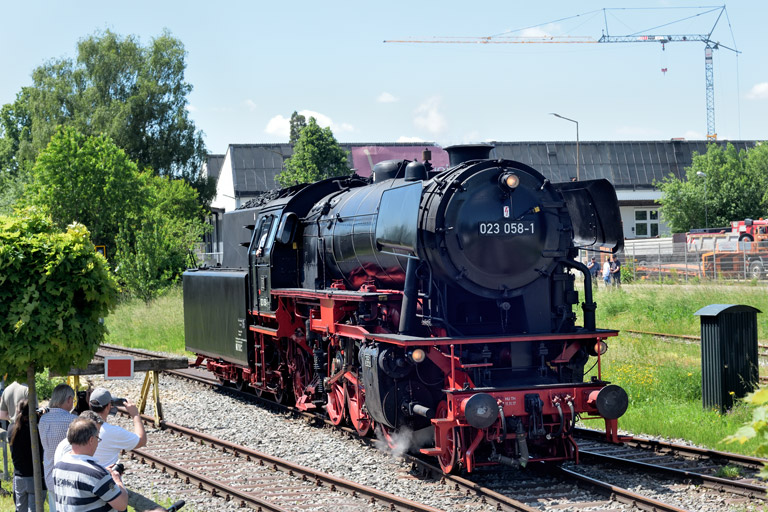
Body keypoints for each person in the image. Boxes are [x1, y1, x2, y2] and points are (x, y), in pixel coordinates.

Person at [53, 417, 127, 512]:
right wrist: (117, 480)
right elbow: (122, 505)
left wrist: (104, 477)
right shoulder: (96, 474)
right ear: (91, 440)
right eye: (98, 438)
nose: (97, 443)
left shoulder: (59, 466)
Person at [39, 383, 77, 511]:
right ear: (69, 399)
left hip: (49, 472)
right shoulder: (73, 420)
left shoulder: (43, 419)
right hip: (68, 476)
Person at [8, 399, 44, 512]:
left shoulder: (11, 429)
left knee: (20, 509)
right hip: (35, 476)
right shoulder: (35, 431)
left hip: (19, 477)